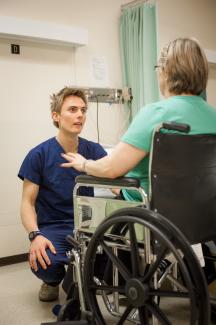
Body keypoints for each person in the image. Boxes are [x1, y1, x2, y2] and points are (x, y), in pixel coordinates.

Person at [60, 38, 216, 200]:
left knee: (116, 188)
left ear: (166, 72)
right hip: (204, 212)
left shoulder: (156, 115)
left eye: (158, 69)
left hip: (154, 211)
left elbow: (109, 169)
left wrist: (83, 164)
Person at [18, 87, 107, 302]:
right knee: (44, 263)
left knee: (112, 262)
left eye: (83, 110)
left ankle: (79, 276)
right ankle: (51, 281)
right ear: (56, 116)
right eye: (73, 109)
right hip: (55, 228)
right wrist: (35, 236)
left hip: (89, 226)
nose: (80, 115)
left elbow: (116, 184)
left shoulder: (94, 151)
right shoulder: (39, 155)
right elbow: (27, 203)